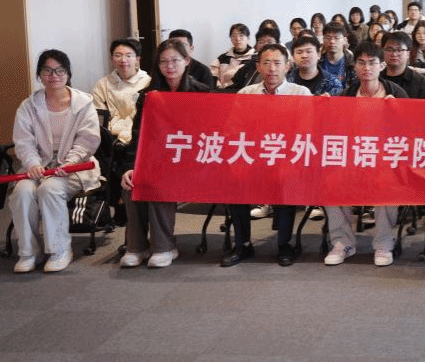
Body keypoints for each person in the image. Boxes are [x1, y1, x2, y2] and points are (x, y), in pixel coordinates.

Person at [119, 38, 212, 268]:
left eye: (175, 60)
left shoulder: (201, 92)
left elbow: (209, 134)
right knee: (132, 182)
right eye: (163, 62)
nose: (169, 66)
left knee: (159, 179)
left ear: (187, 61)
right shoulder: (148, 95)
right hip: (157, 160)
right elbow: (138, 134)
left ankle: (164, 246)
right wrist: (131, 166)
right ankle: (137, 246)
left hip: (191, 161)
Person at [8, 50, 102, 273]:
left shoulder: (83, 103)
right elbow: (23, 142)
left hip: (76, 167)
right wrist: (32, 164)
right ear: (40, 75)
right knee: (22, 192)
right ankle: (29, 252)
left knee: (49, 189)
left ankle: (60, 250)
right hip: (38, 168)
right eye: (47, 71)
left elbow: (88, 140)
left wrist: (69, 163)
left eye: (60, 70)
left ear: (68, 73)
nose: (54, 76)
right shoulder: (28, 106)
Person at [220, 44, 311, 268]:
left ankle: (284, 244)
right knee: (235, 179)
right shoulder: (246, 94)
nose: (272, 68)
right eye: (266, 63)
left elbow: (306, 132)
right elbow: (234, 130)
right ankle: (242, 244)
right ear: (258, 67)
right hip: (252, 157)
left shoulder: (301, 93)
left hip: (286, 158)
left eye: (277, 63)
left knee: (285, 178)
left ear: (288, 67)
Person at [324, 41, 406, 267]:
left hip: (386, 161)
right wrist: (324, 106)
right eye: (361, 63)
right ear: (355, 66)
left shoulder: (395, 93)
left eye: (372, 63)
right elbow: (333, 130)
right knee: (331, 182)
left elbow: (411, 131)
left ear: (382, 66)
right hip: (353, 160)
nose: (366, 68)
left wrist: (398, 112)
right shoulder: (347, 95)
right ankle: (343, 243)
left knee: (387, 185)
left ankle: (384, 244)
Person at [91, 38, 151, 145]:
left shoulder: (148, 83)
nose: (123, 60)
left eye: (128, 56)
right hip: (110, 140)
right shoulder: (102, 84)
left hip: (140, 138)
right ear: (111, 59)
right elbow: (99, 118)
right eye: (118, 55)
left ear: (137, 59)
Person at [379, 31, 425, 99]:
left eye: (399, 50)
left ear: (408, 54)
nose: (394, 54)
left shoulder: (420, 82)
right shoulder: (376, 79)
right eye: (389, 49)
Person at [212, 22, 256, 89]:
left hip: (242, 92)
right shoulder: (222, 58)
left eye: (241, 35)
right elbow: (213, 76)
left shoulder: (254, 58)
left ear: (248, 38)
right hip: (219, 91)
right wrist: (219, 86)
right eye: (234, 36)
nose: (237, 39)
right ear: (231, 39)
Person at [319, 22, 356, 90]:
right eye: (328, 37)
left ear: (344, 40)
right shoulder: (317, 62)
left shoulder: (353, 63)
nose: (332, 41)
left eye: (336, 38)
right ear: (323, 39)